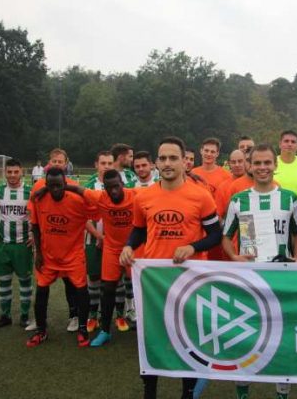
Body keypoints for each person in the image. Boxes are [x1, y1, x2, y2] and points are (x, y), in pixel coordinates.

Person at [119, 136, 222, 399]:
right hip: (154, 281)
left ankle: (187, 392)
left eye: (173, 158)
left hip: (189, 279)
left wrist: (193, 247)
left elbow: (215, 236)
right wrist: (129, 246)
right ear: (156, 163)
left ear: (184, 162)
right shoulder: (144, 197)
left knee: (188, 341)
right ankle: (149, 391)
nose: (167, 163)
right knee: (151, 340)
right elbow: (139, 231)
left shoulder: (201, 196)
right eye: (162, 158)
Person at [222, 144, 297, 399]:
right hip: (250, 276)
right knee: (247, 335)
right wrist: (234, 256)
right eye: (257, 163)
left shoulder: (290, 198)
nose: (263, 168)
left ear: (275, 165)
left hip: (281, 276)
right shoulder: (239, 200)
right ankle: (243, 391)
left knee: (281, 336)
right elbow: (225, 236)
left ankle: (282, 391)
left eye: (267, 163)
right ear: (249, 166)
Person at [64, 170, 136, 346]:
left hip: (133, 249)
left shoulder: (136, 196)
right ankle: (105, 330)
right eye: (109, 188)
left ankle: (146, 329)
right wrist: (46, 188)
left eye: (116, 187)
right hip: (111, 249)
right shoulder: (100, 197)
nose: (113, 191)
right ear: (104, 188)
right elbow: (78, 190)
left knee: (141, 289)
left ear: (123, 185)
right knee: (107, 289)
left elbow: (160, 191)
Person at [27, 167, 95, 348]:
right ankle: (41, 331)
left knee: (81, 291)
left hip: (73, 256)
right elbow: (35, 226)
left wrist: (72, 189)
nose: (55, 189)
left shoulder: (77, 201)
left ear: (65, 184)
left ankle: (82, 329)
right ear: (46, 185)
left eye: (58, 185)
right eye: (51, 186)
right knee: (41, 291)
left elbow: (97, 208)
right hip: (48, 257)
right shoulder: (40, 199)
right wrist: (39, 253)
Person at [32, 148, 81, 333]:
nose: (57, 164)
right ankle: (40, 322)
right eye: (54, 161)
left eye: (60, 161)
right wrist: (37, 250)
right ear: (49, 162)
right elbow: (34, 219)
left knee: (71, 284)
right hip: (47, 248)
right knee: (41, 285)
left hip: (68, 249)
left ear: (66, 162)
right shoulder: (38, 187)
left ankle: (74, 316)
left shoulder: (74, 186)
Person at [0, 158, 36, 330]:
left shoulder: (30, 192)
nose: (13, 175)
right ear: (5, 173)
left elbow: (36, 216)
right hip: (3, 245)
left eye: (16, 172)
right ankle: (5, 315)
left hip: (23, 245)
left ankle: (24, 316)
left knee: (25, 281)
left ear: (21, 172)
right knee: (4, 281)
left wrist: (34, 234)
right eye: (9, 172)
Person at [82, 151, 116, 333]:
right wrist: (98, 236)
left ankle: (117, 315)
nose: (107, 167)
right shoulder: (88, 187)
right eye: (103, 163)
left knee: (114, 281)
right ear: (96, 164)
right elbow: (83, 217)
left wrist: (110, 238)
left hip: (114, 242)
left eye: (110, 163)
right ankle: (92, 315)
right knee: (94, 278)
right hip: (92, 240)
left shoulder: (119, 185)